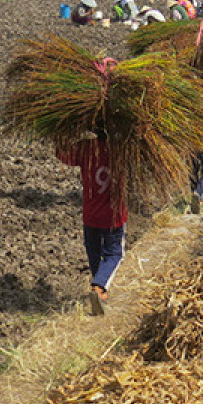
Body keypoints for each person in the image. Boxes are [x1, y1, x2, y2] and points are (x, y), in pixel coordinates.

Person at [57, 130, 127, 316]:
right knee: (114, 254)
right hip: (114, 215)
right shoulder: (123, 150)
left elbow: (63, 155)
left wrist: (57, 136)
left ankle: (100, 292)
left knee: (94, 253)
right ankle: (99, 286)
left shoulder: (86, 148)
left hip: (90, 215)